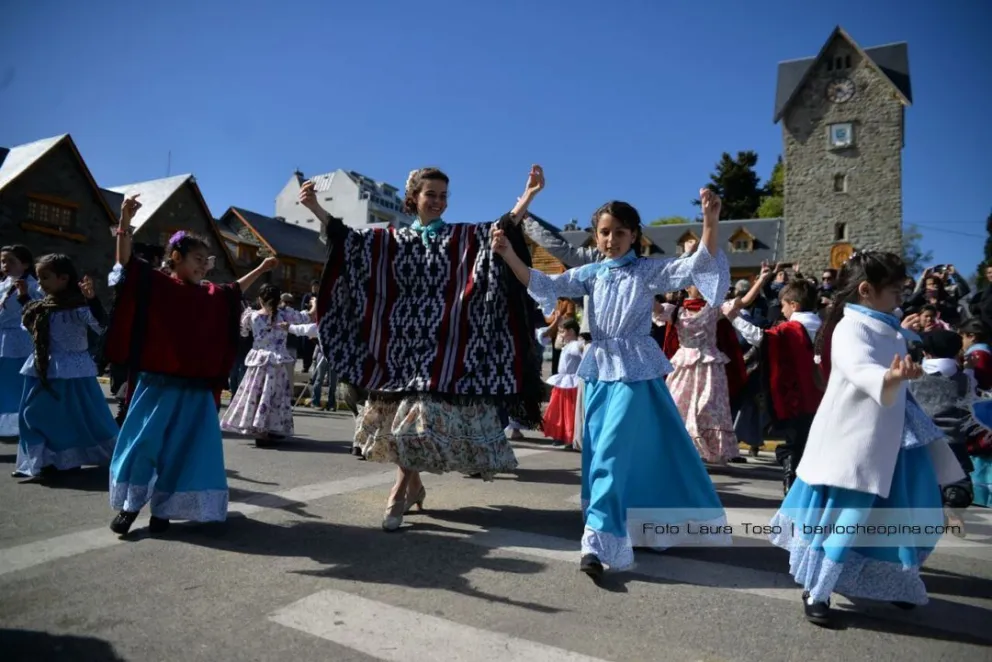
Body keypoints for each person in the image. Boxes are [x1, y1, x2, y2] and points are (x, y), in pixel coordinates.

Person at [493, 189, 733, 580]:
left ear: (634, 235)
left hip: (635, 372)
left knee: (611, 453)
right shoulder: (591, 274)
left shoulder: (647, 270)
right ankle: (627, 523)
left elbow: (695, 266)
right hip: (601, 370)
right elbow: (545, 283)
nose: (610, 239)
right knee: (608, 453)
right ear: (596, 235)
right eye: (604, 232)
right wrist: (507, 254)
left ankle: (597, 541)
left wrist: (710, 221)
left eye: (619, 232)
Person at [302, 165, 546, 531]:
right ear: (413, 197)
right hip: (397, 353)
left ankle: (400, 490)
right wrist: (315, 209)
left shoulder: (462, 239)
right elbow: (347, 241)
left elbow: (501, 227)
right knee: (400, 430)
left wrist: (527, 197)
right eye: (431, 194)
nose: (438, 202)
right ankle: (413, 484)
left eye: (444, 196)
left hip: (442, 354)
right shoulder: (390, 240)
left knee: (416, 429)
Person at [768, 250, 964, 626]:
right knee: (850, 515)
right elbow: (859, 370)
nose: (900, 297)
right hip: (858, 437)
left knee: (911, 508)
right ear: (866, 290)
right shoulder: (850, 326)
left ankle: (895, 582)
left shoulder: (888, 324)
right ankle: (818, 588)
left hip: (898, 431)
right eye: (893, 291)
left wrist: (900, 374)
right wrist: (891, 377)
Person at [103, 195, 277, 535]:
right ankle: (130, 505)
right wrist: (124, 219)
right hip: (158, 384)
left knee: (184, 451)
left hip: (196, 388)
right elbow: (126, 262)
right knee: (142, 445)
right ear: (176, 258)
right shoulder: (158, 284)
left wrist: (261, 269)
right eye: (198, 259)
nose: (204, 266)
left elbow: (233, 290)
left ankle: (164, 509)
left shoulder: (211, 294)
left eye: (207, 261)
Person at [12, 259, 118, 478]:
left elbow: (101, 326)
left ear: (64, 279)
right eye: (39, 277)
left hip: (72, 370)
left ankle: (63, 460)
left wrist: (93, 301)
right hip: (43, 366)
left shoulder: (78, 306)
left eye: (45, 277)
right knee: (33, 414)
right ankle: (43, 460)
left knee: (72, 417)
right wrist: (24, 299)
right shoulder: (42, 306)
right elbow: (33, 327)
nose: (40, 282)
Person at [221, 283, 312, 445]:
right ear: (279, 300)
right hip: (277, 361)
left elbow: (243, 332)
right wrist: (315, 304)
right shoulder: (285, 314)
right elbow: (308, 317)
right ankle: (271, 428)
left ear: (260, 299)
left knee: (256, 394)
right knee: (275, 396)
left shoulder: (252, 315)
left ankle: (259, 428)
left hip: (259, 360)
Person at [0, 245, 42, 437]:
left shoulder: (33, 286)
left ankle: (23, 423)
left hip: (19, 341)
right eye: (2, 261)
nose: (5, 265)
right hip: (2, 337)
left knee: (16, 384)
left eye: (11, 261)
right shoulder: (2, 284)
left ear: (24, 264)